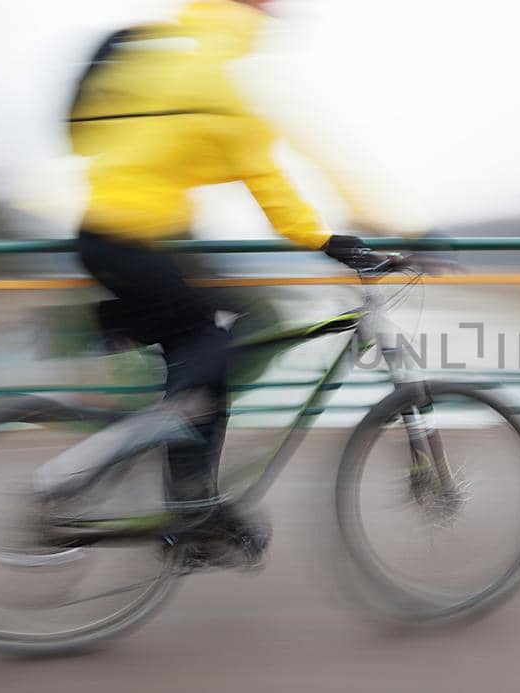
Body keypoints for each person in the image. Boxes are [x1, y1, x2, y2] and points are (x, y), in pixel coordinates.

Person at [67, 0, 378, 567]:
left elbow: (85, 134)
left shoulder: (160, 49)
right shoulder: (223, 76)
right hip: (137, 240)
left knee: (206, 362)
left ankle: (192, 509)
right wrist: (329, 242)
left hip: (105, 235)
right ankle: (179, 505)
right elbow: (268, 181)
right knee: (207, 356)